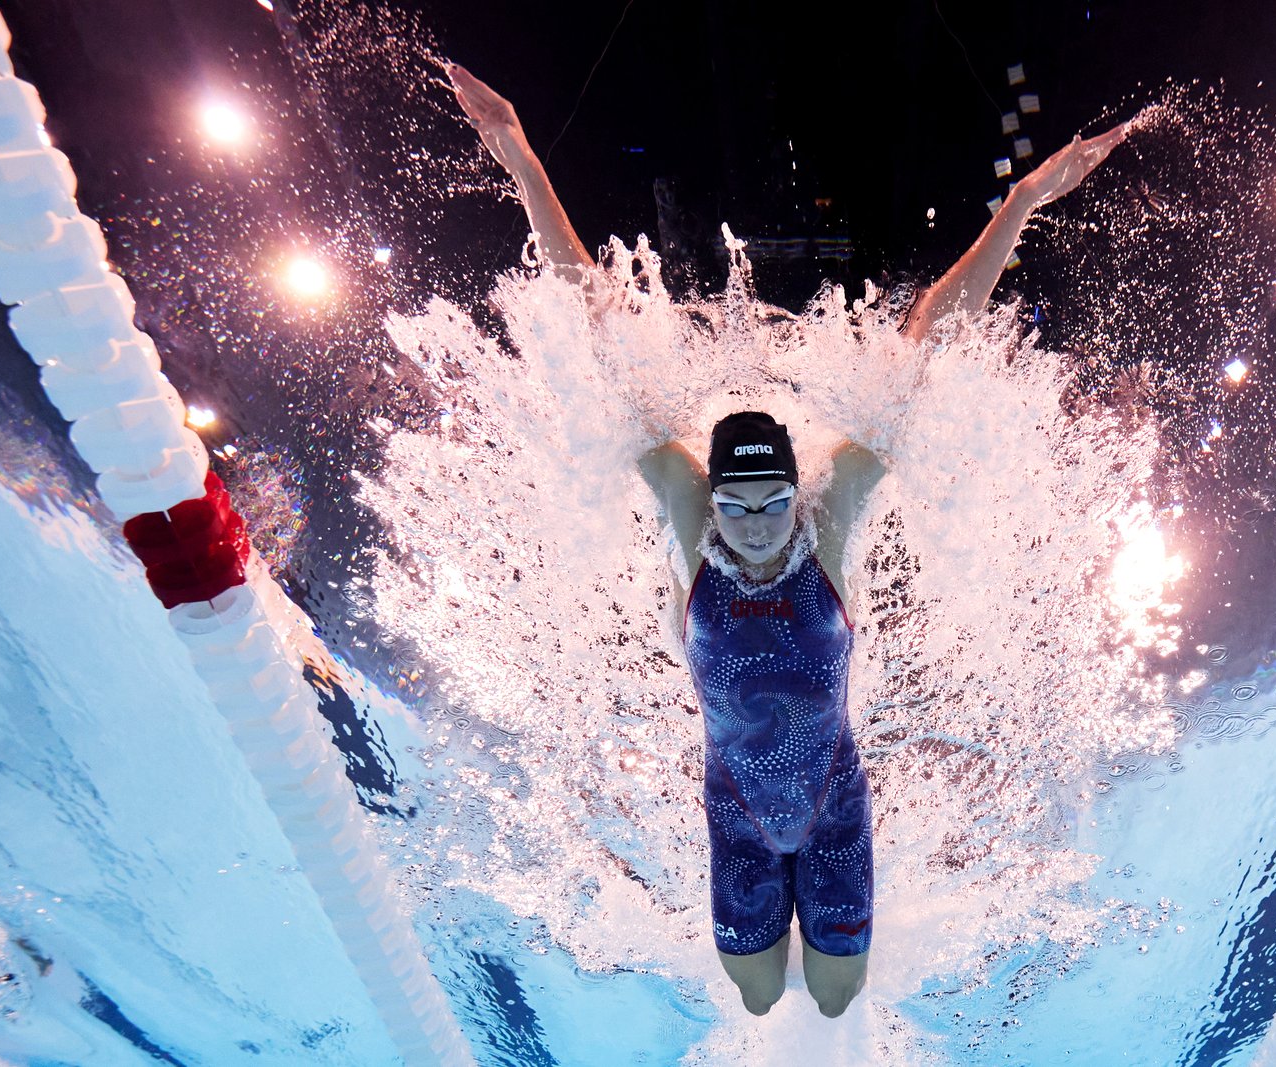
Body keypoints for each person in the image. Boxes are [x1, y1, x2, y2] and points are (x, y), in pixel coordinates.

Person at [448, 61, 1126, 1018]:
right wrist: (520, 157)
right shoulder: (688, 517)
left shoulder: (828, 528)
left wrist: (1018, 204)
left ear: (798, 493)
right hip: (734, 819)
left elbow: (921, 347)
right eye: (740, 505)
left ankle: (828, 929)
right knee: (762, 997)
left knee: (839, 998)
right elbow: (597, 324)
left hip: (838, 811)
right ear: (712, 496)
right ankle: (778, 934)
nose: (759, 525)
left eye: (774, 503)